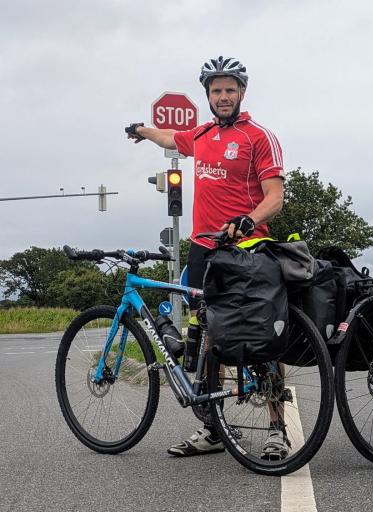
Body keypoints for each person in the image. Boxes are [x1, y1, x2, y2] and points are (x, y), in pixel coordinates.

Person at [126, 56, 287, 458]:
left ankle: (277, 429)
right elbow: (169, 138)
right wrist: (141, 131)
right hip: (202, 247)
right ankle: (214, 427)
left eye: (230, 89)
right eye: (217, 90)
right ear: (209, 96)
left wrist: (248, 222)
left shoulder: (258, 137)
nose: (224, 96)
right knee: (208, 336)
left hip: (246, 248)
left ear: (242, 93)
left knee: (259, 337)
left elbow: (276, 197)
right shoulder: (201, 134)